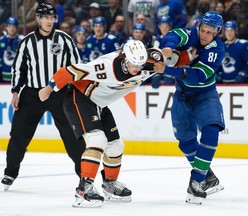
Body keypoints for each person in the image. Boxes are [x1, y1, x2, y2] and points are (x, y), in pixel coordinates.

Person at [38, 40, 165, 207]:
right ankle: (84, 189)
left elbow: (168, 54)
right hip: (80, 98)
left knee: (116, 146)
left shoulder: (150, 61)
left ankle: (110, 184)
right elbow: (69, 71)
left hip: (99, 103)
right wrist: (47, 90)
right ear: (125, 57)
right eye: (134, 63)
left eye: (140, 63)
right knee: (97, 140)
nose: (137, 68)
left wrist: (164, 66)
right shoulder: (106, 66)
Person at [1, 2, 85, 191]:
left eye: (52, 17)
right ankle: (10, 172)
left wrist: (77, 91)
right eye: (45, 17)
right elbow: (18, 68)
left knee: (73, 136)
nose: (49, 21)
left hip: (60, 94)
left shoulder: (64, 39)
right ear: (38, 19)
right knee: (18, 135)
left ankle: (84, 174)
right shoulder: (27, 41)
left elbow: (75, 67)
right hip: (31, 94)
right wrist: (15, 91)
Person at [153, 11, 225, 205]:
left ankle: (197, 181)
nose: (204, 35)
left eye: (210, 32)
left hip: (205, 95)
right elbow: (175, 35)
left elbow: (195, 76)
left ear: (217, 33)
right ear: (199, 26)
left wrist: (166, 69)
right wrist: (168, 47)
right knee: (185, 142)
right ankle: (208, 177)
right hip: (181, 96)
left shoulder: (217, 50)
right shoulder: (193, 33)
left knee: (211, 131)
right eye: (203, 30)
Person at [0, 17, 24, 83]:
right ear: (6, 27)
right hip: (4, 78)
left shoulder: (22, 40)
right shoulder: (1, 41)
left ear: (17, 27)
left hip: (19, 78)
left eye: (13, 26)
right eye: (9, 26)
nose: (11, 28)